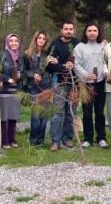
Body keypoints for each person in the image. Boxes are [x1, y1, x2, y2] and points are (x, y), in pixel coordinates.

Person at [46, 21, 80, 151]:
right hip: (59, 82)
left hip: (74, 82)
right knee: (58, 112)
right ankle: (55, 140)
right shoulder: (55, 44)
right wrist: (63, 66)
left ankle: (67, 138)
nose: (68, 31)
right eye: (66, 29)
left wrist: (73, 65)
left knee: (71, 112)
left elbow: (81, 61)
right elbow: (49, 65)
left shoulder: (77, 44)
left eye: (71, 29)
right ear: (62, 30)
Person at [73, 23, 107, 148]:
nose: (92, 33)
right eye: (90, 30)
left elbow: (106, 62)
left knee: (99, 112)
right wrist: (86, 75)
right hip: (86, 84)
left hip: (100, 83)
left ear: (98, 32)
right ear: (85, 33)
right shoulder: (79, 47)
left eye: (94, 30)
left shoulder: (103, 46)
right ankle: (88, 138)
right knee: (87, 112)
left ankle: (101, 138)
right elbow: (76, 65)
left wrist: (104, 73)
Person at [23, 30, 56, 146]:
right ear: (35, 39)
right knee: (36, 116)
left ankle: (41, 141)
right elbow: (24, 70)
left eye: (44, 39)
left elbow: (52, 70)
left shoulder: (47, 54)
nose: (41, 40)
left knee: (44, 117)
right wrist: (33, 75)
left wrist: (55, 62)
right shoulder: (27, 54)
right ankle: (32, 140)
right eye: (39, 38)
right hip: (34, 88)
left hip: (46, 87)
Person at [0, 33, 23, 149]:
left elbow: (23, 72)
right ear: (7, 42)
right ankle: (5, 141)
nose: (13, 43)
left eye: (15, 40)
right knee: (4, 117)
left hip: (16, 91)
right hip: (5, 91)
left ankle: (12, 139)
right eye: (11, 41)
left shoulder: (20, 57)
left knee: (13, 116)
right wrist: (7, 79)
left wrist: (21, 75)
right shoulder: (1, 56)